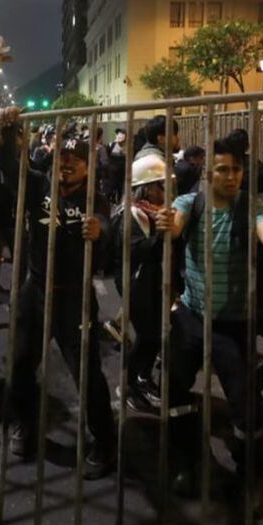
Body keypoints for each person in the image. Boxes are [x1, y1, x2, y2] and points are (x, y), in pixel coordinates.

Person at [155, 138, 263, 495]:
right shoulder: (190, 202)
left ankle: (249, 470)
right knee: (175, 390)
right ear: (208, 173)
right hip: (192, 314)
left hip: (235, 321)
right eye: (222, 169)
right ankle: (185, 460)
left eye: (236, 169)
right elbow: (176, 224)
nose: (231, 176)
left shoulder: (253, 206)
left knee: (245, 405)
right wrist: (168, 224)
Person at [0, 108, 117, 479]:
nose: (67, 164)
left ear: (88, 166)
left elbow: (108, 236)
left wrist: (101, 232)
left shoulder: (96, 200)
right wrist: (7, 129)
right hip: (35, 290)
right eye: (62, 156)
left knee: (87, 374)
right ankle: (24, 423)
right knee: (20, 363)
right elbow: (11, 169)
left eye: (75, 159)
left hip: (74, 298)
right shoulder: (38, 187)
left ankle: (104, 441)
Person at [111, 152, 168, 412]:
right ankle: (128, 384)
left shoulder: (152, 212)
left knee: (155, 335)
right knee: (147, 335)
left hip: (150, 280)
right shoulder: (132, 214)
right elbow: (136, 250)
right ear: (146, 188)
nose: (164, 191)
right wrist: (162, 235)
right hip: (135, 282)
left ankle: (142, 377)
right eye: (160, 185)